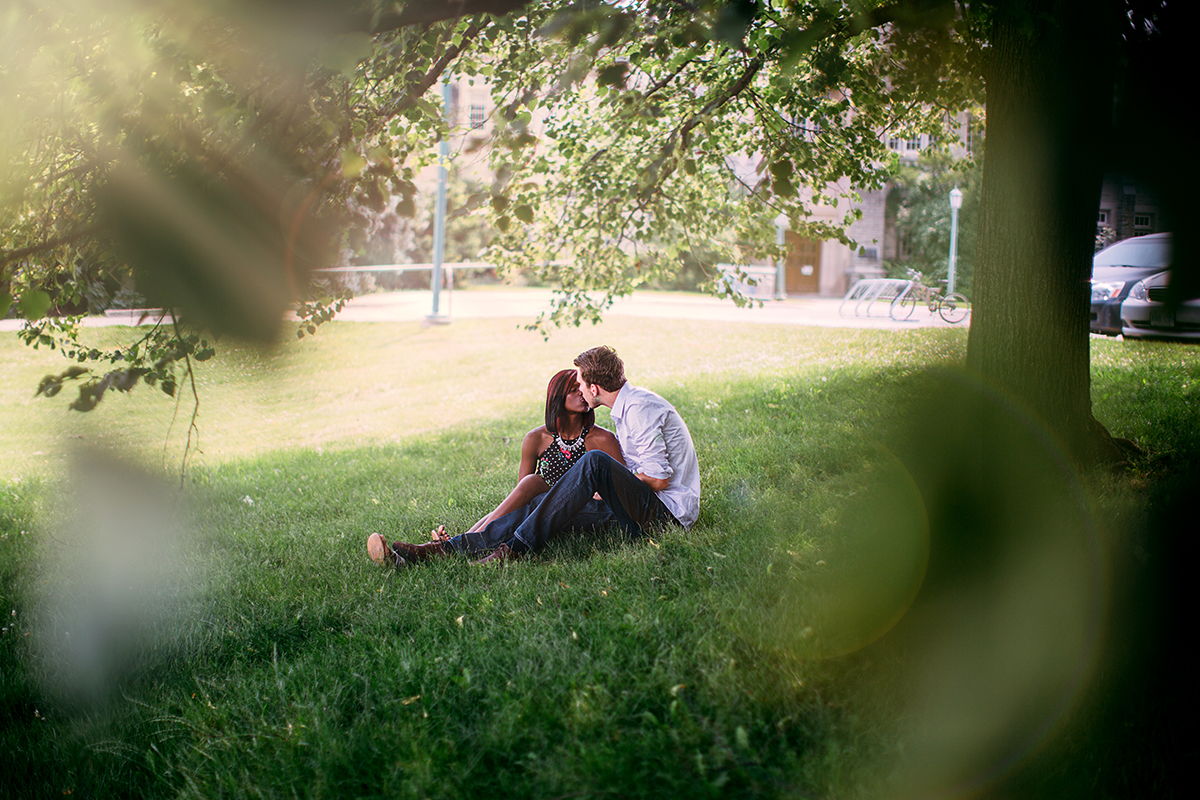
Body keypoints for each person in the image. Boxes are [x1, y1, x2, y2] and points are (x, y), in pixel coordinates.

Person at [367, 346, 700, 566]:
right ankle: (430, 553)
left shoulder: (639, 409)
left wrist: (607, 484)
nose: (582, 392)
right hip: (635, 511)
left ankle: (511, 552)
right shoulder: (628, 407)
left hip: (665, 520)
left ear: (594, 388)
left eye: (582, 384)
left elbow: (658, 479)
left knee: (594, 463)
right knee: (536, 506)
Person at [435, 368, 624, 538]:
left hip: (587, 509)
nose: (582, 394)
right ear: (557, 397)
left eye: (582, 388)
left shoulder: (601, 439)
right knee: (528, 487)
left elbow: (625, 487)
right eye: (574, 390)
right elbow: (519, 497)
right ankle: (462, 540)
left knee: (532, 484)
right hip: (546, 506)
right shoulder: (536, 438)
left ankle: (462, 542)